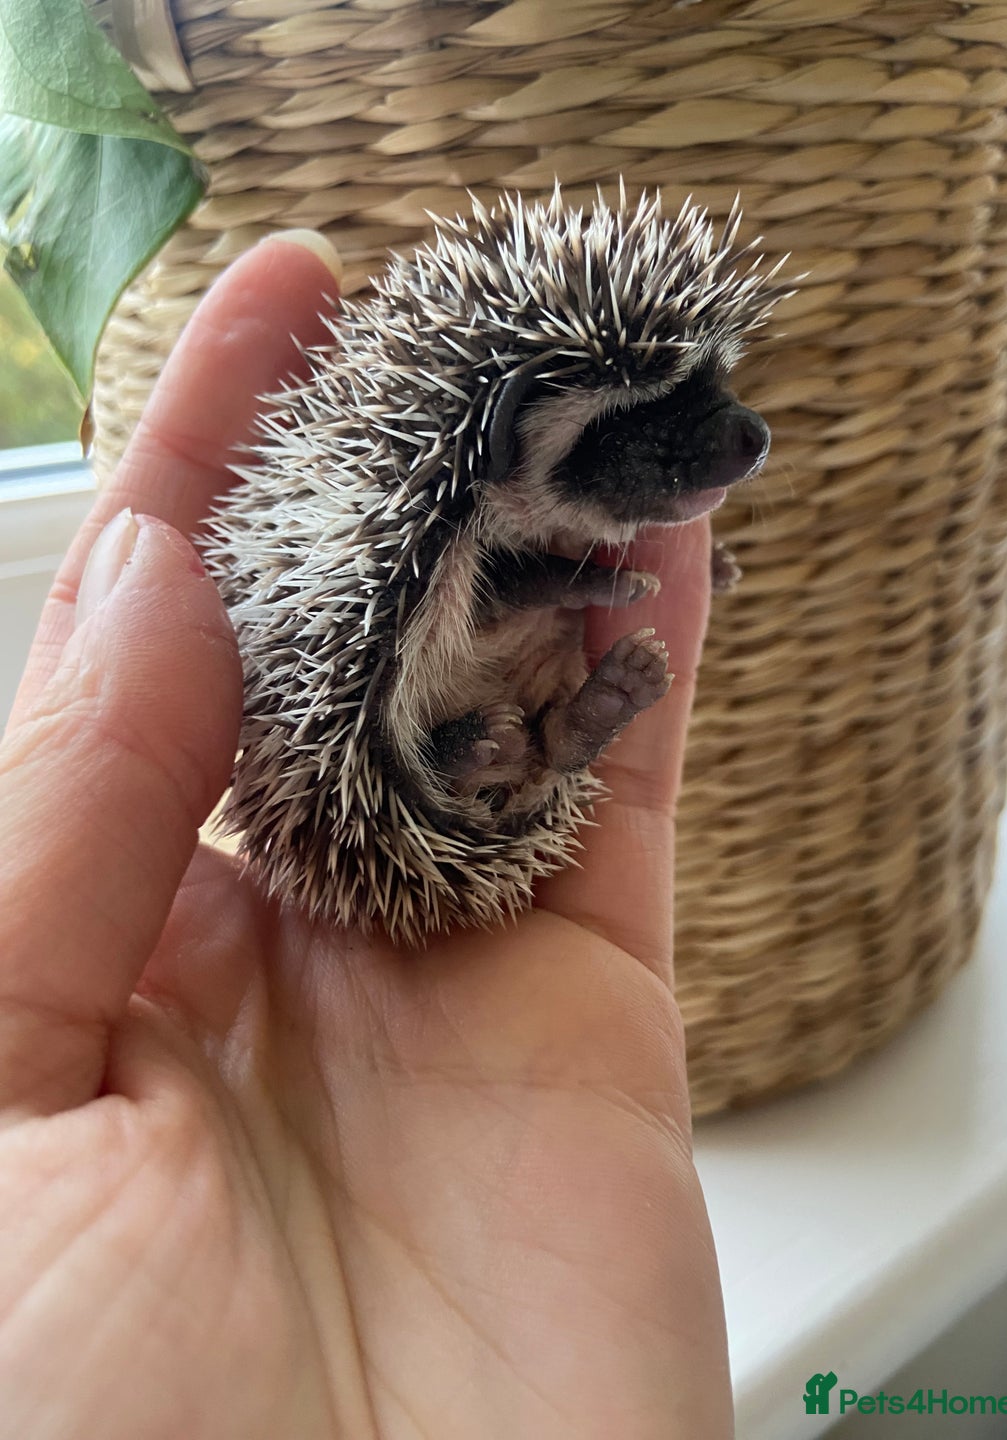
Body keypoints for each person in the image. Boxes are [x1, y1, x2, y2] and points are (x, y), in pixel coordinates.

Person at [0, 231, 733, 1439]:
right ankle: (521, 752)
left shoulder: (490, 507)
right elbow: (426, 633)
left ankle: (533, 752)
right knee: (491, 676)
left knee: (526, 673)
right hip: (407, 748)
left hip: (461, 733)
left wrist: (552, 589)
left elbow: (489, 594)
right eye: (643, 426)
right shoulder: (402, 545)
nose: (729, 441)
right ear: (503, 440)